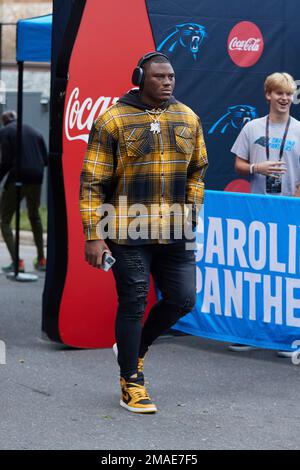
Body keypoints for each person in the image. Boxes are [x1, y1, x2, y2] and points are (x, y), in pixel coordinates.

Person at [80, 52, 208, 413]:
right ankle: (131, 383)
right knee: (134, 302)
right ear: (140, 77)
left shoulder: (188, 117)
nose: (167, 82)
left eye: (171, 76)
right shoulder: (113, 120)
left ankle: (134, 348)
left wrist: (191, 211)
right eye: (159, 76)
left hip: (175, 228)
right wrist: (94, 234)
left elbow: (198, 170)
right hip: (125, 227)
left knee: (184, 299)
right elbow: (93, 181)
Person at [230, 72, 300, 357]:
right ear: (268, 95)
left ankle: (287, 337)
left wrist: (294, 202)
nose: (284, 98)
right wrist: (257, 169)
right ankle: (251, 333)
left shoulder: (299, 129)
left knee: (287, 275)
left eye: (289, 94)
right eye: (278, 93)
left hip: (289, 210)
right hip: (257, 210)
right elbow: (238, 165)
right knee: (256, 273)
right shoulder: (252, 127)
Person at [0, 110, 48, 272]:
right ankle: (42, 259)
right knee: (34, 216)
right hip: (37, 177)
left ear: (4, 121)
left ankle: (17, 262)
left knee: (4, 220)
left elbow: (6, 161)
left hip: (18, 177)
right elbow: (46, 160)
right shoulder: (34, 131)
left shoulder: (5, 131)